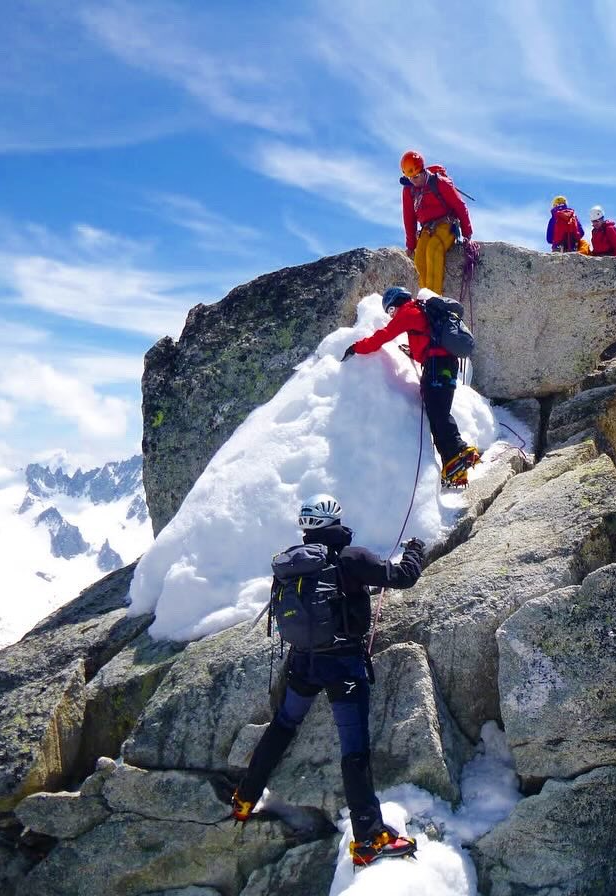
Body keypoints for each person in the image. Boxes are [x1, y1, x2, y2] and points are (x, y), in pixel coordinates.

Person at [231, 494, 426, 866]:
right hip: (343, 667)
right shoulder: (350, 558)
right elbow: (403, 577)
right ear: (336, 520)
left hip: (303, 662)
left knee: (284, 725)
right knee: (354, 750)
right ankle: (368, 838)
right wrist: (415, 549)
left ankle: (244, 797)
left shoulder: (293, 562)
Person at [341, 286, 481, 487]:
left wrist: (357, 347)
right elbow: (425, 342)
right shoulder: (421, 311)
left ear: (397, 302)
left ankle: (459, 452)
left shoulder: (407, 311)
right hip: (446, 365)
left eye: (390, 310)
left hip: (435, 366)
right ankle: (454, 470)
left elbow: (383, 335)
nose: (392, 315)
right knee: (439, 413)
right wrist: (414, 352)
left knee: (438, 414)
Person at [400, 150, 473, 294]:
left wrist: (467, 234)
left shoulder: (440, 183)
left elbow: (460, 206)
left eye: (416, 176)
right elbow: (409, 218)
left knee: (434, 249)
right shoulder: (409, 190)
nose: (414, 180)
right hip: (427, 228)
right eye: (410, 178)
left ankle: (434, 298)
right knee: (419, 259)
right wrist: (410, 245)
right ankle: (424, 299)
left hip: (447, 225)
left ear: (422, 170)